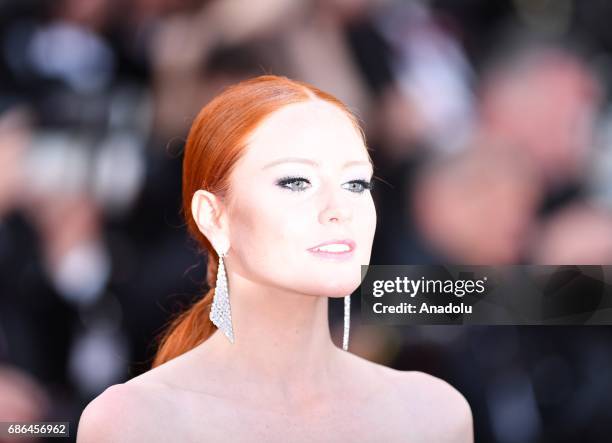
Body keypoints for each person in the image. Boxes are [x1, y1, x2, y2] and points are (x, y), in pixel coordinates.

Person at [76, 75, 473, 442]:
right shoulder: (135, 421)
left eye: (356, 183)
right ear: (213, 216)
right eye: (296, 181)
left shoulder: (434, 414)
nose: (339, 209)